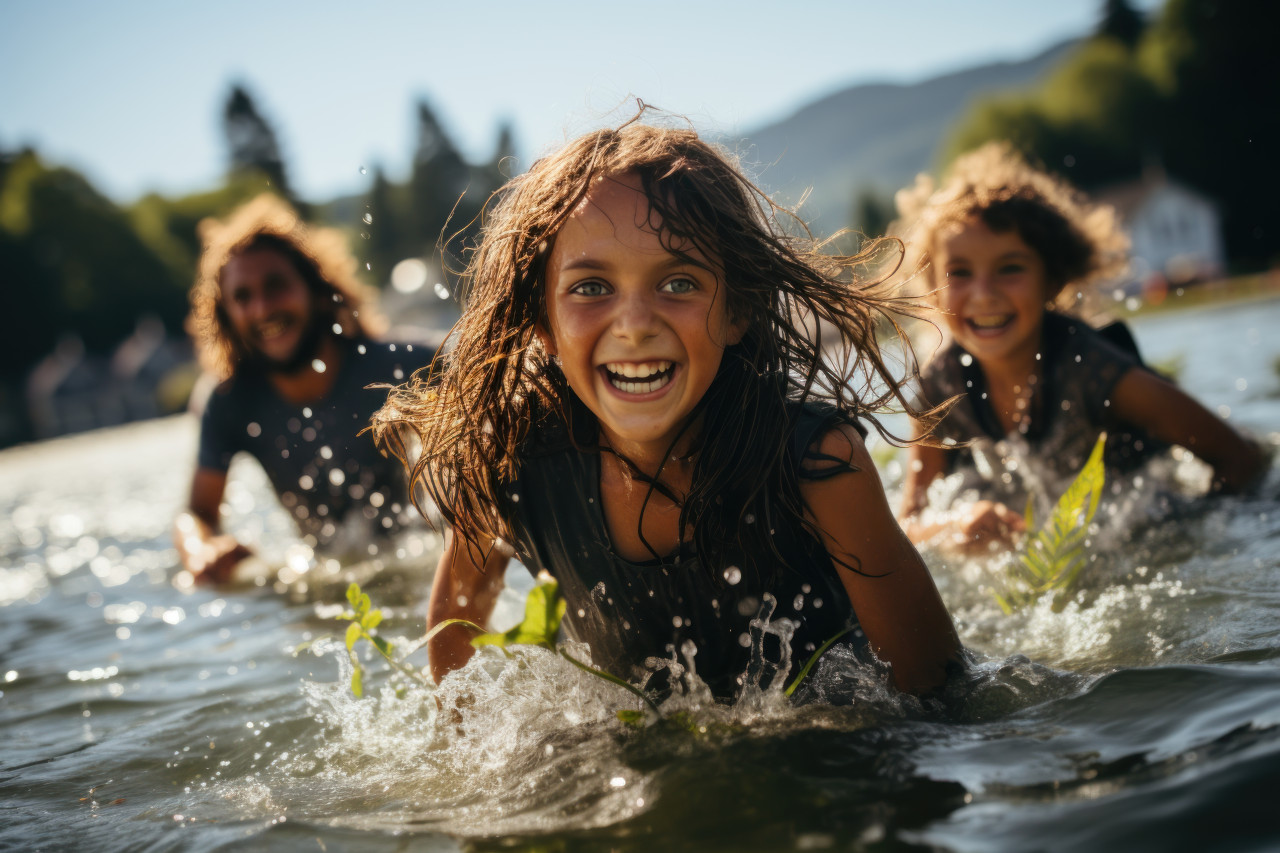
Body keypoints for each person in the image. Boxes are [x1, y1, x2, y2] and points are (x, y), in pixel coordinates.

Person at [373, 121, 960, 701]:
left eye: (678, 283)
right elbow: (456, 632)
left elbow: (938, 693)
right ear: (543, 324)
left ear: (738, 311)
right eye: (591, 287)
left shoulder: (816, 463)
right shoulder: (508, 462)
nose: (634, 326)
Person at [894, 143, 1266, 553]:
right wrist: (951, 528)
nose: (983, 295)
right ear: (933, 286)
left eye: (1010, 268)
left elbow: (1242, 459)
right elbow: (908, 521)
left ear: (1052, 281)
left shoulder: (1094, 370)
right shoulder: (938, 389)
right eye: (959, 272)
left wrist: (1196, 536)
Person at [174, 195, 431, 583]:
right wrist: (202, 548)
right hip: (322, 574)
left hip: (421, 562)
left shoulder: (399, 365)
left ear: (317, 290)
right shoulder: (228, 402)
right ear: (227, 316)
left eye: (275, 285)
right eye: (242, 297)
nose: (262, 309)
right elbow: (197, 514)